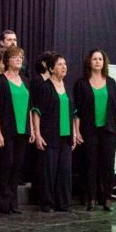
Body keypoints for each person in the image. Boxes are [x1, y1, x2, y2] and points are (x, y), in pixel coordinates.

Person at [73, 49, 116, 211]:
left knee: (108, 165)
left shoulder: (111, 83)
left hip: (108, 130)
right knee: (90, 165)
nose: (97, 62)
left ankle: (107, 198)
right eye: (94, 59)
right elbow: (77, 110)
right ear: (89, 62)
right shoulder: (81, 84)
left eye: (100, 59)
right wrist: (77, 131)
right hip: (89, 130)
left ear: (104, 62)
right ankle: (91, 198)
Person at [31, 53, 76, 212]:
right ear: (51, 68)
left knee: (64, 171)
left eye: (65, 64)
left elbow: (72, 113)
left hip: (66, 136)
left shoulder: (67, 87)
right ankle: (47, 203)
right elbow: (36, 112)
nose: (64, 67)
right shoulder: (45, 87)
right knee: (48, 171)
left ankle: (63, 203)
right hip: (49, 135)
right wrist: (37, 134)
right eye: (59, 64)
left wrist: (74, 134)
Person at [0, 46, 32, 214]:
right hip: (7, 129)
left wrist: (32, 129)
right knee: (5, 164)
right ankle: (1, 203)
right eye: (15, 57)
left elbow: (30, 107)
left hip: (23, 130)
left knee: (17, 165)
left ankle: (12, 202)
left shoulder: (26, 81)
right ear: (7, 61)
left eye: (21, 57)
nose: (19, 59)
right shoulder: (0, 81)